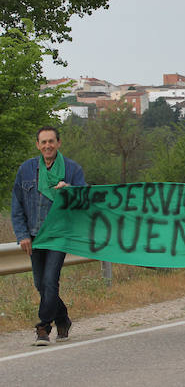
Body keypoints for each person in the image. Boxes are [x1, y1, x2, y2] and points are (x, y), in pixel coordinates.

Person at [11, 126, 86, 347]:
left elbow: (84, 199)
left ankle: (43, 327)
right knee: (40, 284)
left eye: (51, 141)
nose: (47, 146)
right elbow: (16, 205)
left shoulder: (72, 169)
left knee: (50, 281)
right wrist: (22, 234)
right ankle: (62, 319)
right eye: (43, 142)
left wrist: (69, 190)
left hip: (59, 235)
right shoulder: (26, 169)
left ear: (58, 143)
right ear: (37, 145)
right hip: (35, 235)